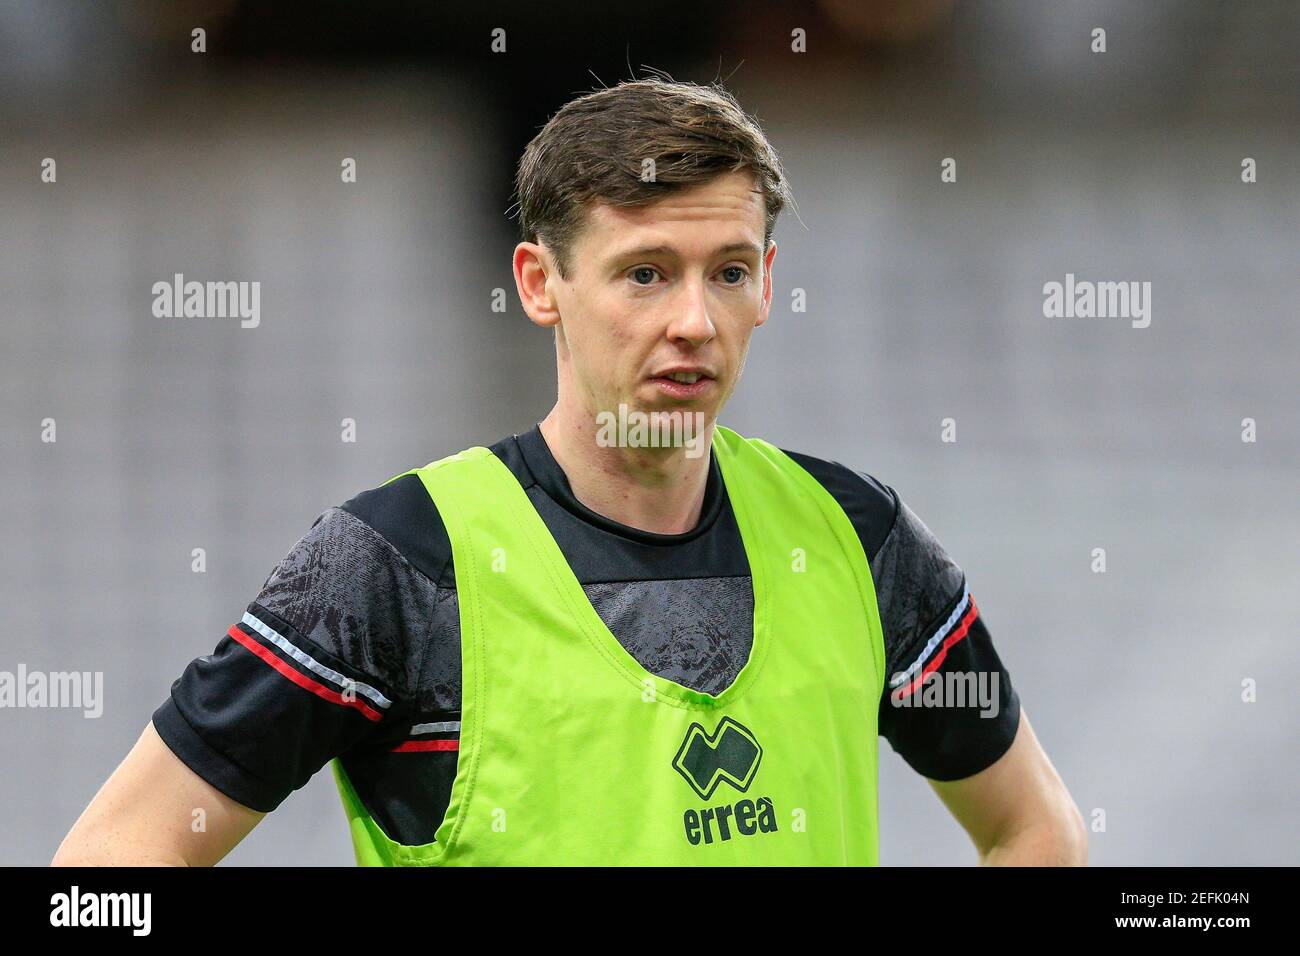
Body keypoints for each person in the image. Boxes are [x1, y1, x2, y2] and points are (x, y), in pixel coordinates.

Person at [53, 77, 1086, 866]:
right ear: (540, 283)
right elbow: (108, 864)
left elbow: (1036, 829)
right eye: (644, 274)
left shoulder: (859, 540)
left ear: (768, 283)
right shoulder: (396, 567)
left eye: (727, 270)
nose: (693, 319)